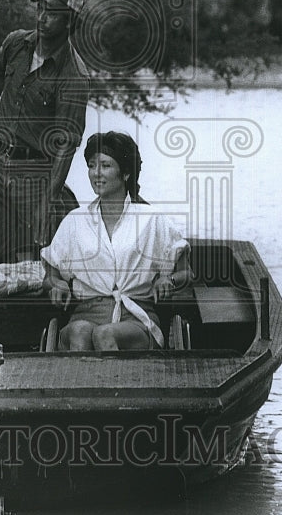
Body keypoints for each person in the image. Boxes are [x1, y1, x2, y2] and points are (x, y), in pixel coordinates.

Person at [0, 0, 89, 263]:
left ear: (70, 21)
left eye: (52, 12)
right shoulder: (16, 43)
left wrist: (48, 201)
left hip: (34, 172)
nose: (43, 17)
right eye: (40, 8)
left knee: (38, 256)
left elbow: (66, 145)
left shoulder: (74, 75)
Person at [40, 131, 192, 351]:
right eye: (92, 166)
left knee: (105, 334)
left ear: (126, 173)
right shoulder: (75, 221)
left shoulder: (151, 219)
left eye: (105, 166)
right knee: (80, 331)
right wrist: (57, 283)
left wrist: (168, 280)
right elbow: (51, 273)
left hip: (137, 318)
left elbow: (186, 272)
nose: (96, 173)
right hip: (85, 313)